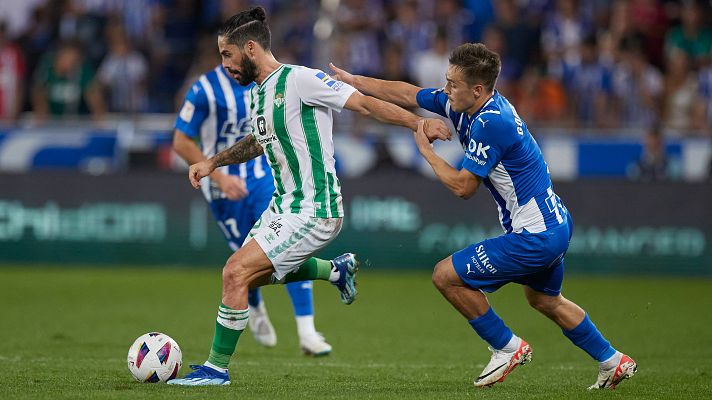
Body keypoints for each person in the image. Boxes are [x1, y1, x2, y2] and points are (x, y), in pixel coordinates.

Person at [330, 43, 637, 390]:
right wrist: (354, 80)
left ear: (477, 90)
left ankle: (506, 347)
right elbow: (409, 93)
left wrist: (426, 151)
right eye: (446, 82)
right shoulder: (462, 103)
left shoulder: (493, 123)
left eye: (452, 84)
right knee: (544, 299)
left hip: (535, 235)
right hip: (556, 224)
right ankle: (613, 361)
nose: (445, 90)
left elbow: (463, 188)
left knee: (445, 276)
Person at [168, 6, 449, 386]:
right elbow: (257, 141)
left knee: (234, 272)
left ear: (250, 48)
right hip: (284, 206)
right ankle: (335, 270)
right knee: (246, 280)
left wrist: (419, 122)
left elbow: (363, 103)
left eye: (227, 55)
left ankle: (216, 370)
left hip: (316, 209)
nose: (225, 65)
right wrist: (213, 162)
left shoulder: (301, 80)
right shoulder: (258, 95)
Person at [173, 63, 334, 356]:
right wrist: (219, 176)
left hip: (264, 179)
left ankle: (307, 331)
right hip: (223, 189)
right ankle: (256, 308)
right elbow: (180, 141)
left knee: (279, 249)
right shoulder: (205, 89)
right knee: (244, 263)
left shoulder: (265, 84)